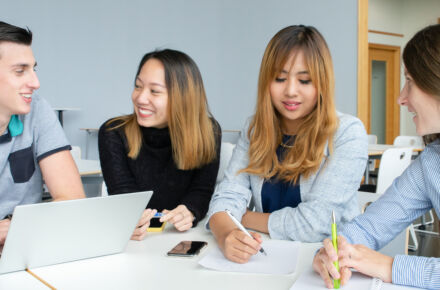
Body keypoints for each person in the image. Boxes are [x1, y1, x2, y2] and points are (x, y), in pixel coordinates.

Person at [207, 25, 368, 264]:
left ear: (321, 83)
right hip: (266, 259)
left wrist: (245, 217)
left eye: (304, 80)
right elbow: (226, 197)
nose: (291, 91)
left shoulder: (347, 132)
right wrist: (226, 234)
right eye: (280, 78)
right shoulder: (255, 129)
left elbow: (314, 225)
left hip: (328, 264)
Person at [313, 24, 440, 290]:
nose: (400, 99)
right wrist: (335, 252)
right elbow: (370, 228)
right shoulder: (431, 163)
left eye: (410, 81)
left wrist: (388, 266)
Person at [98, 49, 221, 240]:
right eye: (138, 86)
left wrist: (190, 211)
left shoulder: (208, 131)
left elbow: (202, 192)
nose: (140, 98)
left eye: (154, 91)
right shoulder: (113, 132)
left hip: (183, 237)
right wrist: (132, 220)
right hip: (138, 242)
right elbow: (124, 197)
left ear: (183, 97)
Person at [0, 21, 85, 245]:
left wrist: (16, 225)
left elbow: (73, 200)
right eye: (20, 71)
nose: (35, 83)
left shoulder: (36, 108)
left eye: (33, 69)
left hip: (26, 247)